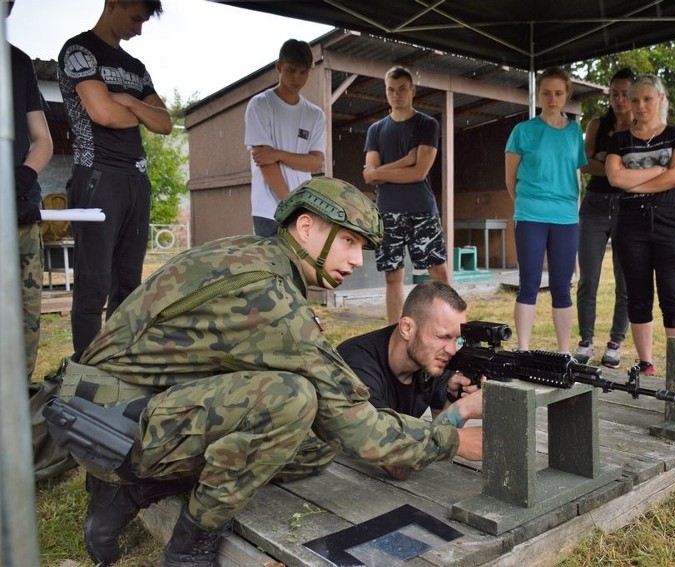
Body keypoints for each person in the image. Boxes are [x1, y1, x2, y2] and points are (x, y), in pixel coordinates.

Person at [52, 177, 483, 567]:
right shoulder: (271, 297)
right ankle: (189, 547)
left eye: (360, 248)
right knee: (292, 401)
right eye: (349, 241)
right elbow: (359, 428)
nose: (355, 261)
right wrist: (454, 438)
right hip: (110, 426)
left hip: (111, 407)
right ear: (308, 227)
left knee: (313, 444)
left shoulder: (251, 254)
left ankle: (130, 493)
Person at [57, 0, 173, 360]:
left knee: (129, 285)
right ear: (113, 4)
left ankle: (119, 366)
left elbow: (165, 123)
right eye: (135, 18)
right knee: (94, 285)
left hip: (135, 181)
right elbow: (103, 113)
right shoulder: (79, 50)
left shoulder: (135, 67)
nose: (138, 29)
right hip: (97, 176)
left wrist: (130, 102)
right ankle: (86, 373)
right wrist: (140, 111)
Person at [605, 74, 675, 376]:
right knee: (638, 295)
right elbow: (615, 178)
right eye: (635, 99)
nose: (640, 105)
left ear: (661, 99)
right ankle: (646, 363)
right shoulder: (619, 140)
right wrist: (657, 170)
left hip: (669, 222)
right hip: (629, 226)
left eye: (647, 98)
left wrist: (636, 181)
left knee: (673, 294)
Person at [504, 67, 587, 353]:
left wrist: (573, 209)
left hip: (565, 218)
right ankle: (523, 349)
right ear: (538, 94)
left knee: (562, 287)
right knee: (529, 284)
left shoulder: (576, 131)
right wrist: (527, 205)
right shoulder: (523, 131)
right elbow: (510, 178)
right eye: (547, 93)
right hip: (530, 215)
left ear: (567, 95)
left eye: (559, 93)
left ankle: (564, 352)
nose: (553, 98)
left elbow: (575, 174)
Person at [363, 65, 449, 324]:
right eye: (391, 89)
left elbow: (419, 172)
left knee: (439, 272)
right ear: (386, 92)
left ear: (412, 90)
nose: (396, 94)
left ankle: (448, 327)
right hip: (387, 211)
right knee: (392, 276)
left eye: (402, 89)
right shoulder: (376, 130)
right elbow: (369, 175)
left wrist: (381, 172)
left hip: (422, 209)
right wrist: (404, 161)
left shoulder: (427, 124)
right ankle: (394, 333)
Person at [338, 281, 478, 420]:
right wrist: (464, 409)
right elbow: (386, 437)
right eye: (443, 336)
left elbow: (441, 429)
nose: (452, 350)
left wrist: (452, 398)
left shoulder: (434, 359)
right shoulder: (357, 368)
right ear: (407, 328)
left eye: (456, 339)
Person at [6, 0, 54, 380]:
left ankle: (18, 409)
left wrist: (23, 176)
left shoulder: (18, 63)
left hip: (21, 217)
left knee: (24, 325)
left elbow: (43, 139)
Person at [575, 68, 634, 368]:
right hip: (595, 205)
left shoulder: (641, 125)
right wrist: (620, 168)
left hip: (628, 207)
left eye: (625, 93)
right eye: (614, 93)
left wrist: (606, 161)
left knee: (626, 280)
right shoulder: (597, 123)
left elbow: (641, 166)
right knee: (589, 278)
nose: (620, 99)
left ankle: (615, 342)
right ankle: (585, 340)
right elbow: (585, 164)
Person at [245, 38, 326, 237]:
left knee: (301, 268)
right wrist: (290, 204)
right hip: (268, 211)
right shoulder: (260, 104)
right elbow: (265, 161)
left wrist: (278, 154)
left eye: (303, 72)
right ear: (279, 67)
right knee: (272, 268)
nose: (296, 77)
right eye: (291, 70)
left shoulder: (315, 114)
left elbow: (315, 162)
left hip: (303, 211)